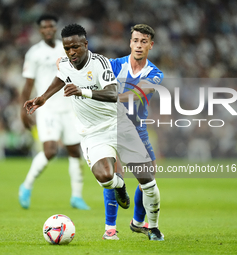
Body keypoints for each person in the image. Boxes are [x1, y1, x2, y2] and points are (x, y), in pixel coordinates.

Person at [24, 23, 162, 241]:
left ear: (85, 45)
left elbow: (115, 93)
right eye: (67, 49)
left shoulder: (138, 71)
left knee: (148, 180)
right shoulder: (72, 63)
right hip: (93, 132)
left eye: (75, 48)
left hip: (125, 126)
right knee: (106, 176)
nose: (71, 52)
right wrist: (42, 98)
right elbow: (61, 76)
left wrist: (82, 91)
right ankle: (116, 205)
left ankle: (150, 227)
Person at [18, 14, 89, 210]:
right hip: (47, 109)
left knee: (75, 151)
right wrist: (23, 111)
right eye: (44, 27)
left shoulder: (66, 48)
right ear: (40, 30)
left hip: (69, 108)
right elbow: (28, 84)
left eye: (51, 26)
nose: (48, 30)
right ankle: (26, 186)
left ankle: (76, 196)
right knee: (50, 151)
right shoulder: (34, 53)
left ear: (55, 28)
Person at [102, 24, 164, 241]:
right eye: (135, 40)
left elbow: (138, 94)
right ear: (130, 42)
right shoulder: (113, 65)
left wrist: (105, 97)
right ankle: (110, 228)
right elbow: (89, 70)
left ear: (151, 45)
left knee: (148, 178)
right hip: (111, 127)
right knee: (114, 174)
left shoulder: (155, 74)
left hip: (137, 129)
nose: (139, 45)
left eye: (143, 41)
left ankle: (138, 222)